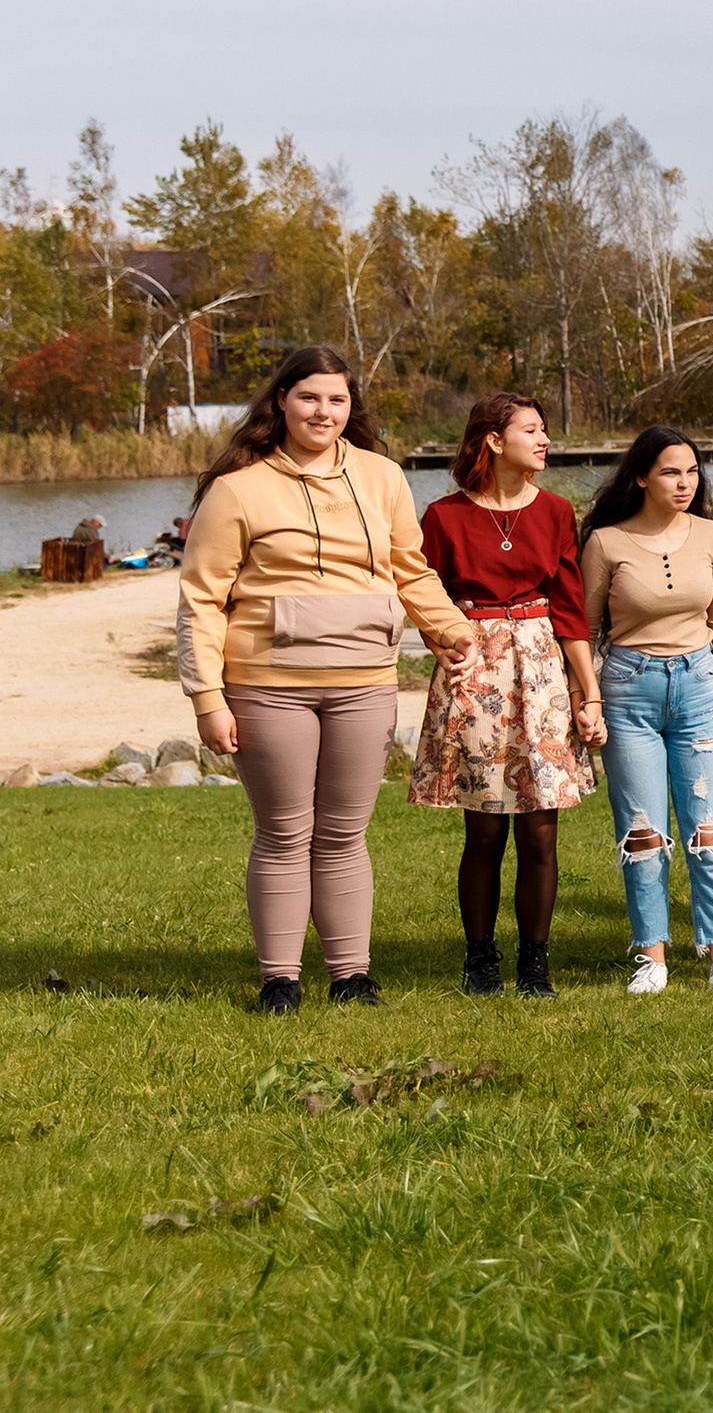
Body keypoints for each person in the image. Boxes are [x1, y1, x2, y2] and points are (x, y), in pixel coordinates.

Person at [178, 345, 472, 1014]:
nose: (323, 410)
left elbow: (411, 569)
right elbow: (200, 597)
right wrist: (207, 698)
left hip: (365, 679)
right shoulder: (238, 487)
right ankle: (279, 980)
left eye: (336, 399)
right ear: (280, 400)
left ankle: (351, 977)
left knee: (344, 834)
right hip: (266, 683)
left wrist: (448, 630)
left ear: (350, 407)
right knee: (284, 832)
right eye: (309, 396)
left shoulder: (383, 477)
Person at [410, 393, 604, 999]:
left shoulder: (554, 511)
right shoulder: (443, 516)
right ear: (493, 441)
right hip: (476, 674)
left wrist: (588, 694)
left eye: (545, 431)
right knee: (486, 828)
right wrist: (445, 646)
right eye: (533, 430)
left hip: (543, 667)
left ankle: (535, 964)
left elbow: (571, 608)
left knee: (541, 827)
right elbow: (424, 597)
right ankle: (480, 961)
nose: (545, 441)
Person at [581, 427, 713, 995]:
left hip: (699, 688)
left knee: (710, 828)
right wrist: (589, 700)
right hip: (629, 692)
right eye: (672, 472)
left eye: (693, 472)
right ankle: (652, 956)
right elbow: (584, 630)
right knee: (642, 830)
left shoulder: (712, 535)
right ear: (642, 477)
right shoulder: (606, 542)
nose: (685, 483)